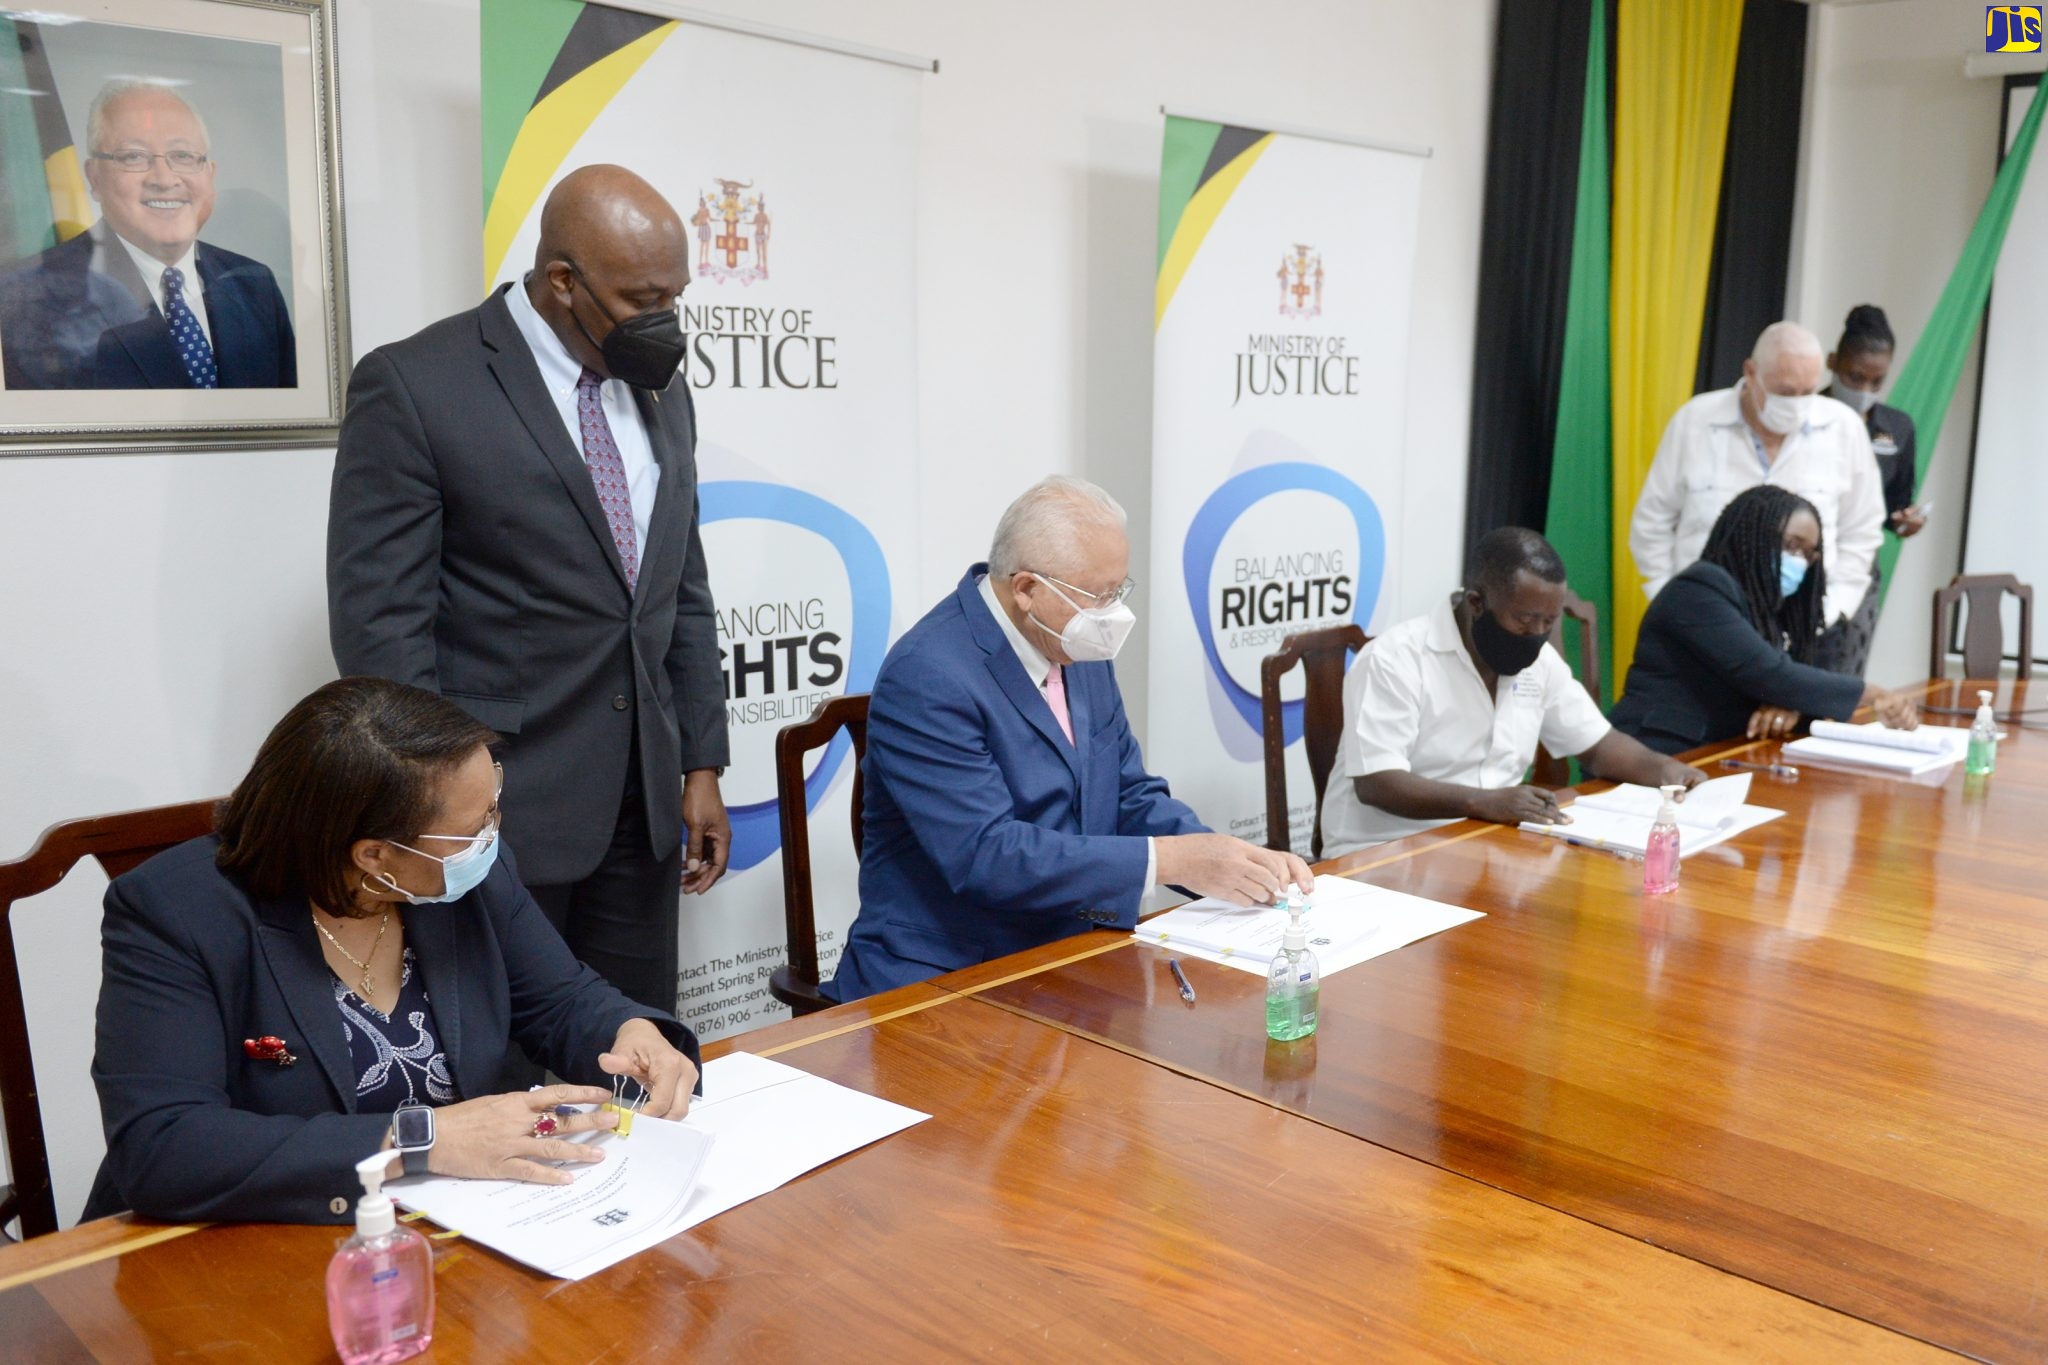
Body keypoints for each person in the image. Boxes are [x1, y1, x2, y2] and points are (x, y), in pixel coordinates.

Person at [327, 165, 730, 1025]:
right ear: (561, 282)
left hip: (642, 805)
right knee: (506, 1077)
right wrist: (444, 805)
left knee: (636, 1057)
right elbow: (381, 630)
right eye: (642, 298)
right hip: (497, 812)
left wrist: (699, 761)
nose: (665, 323)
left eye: (676, 296)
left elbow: (679, 585)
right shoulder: (416, 384)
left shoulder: (662, 387)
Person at [86, 678, 702, 1226]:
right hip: (246, 1247)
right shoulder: (174, 913)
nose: (492, 837)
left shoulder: (466, 876)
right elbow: (164, 1145)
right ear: (373, 856)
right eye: (472, 828)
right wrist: (420, 1139)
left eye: (494, 806)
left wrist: (631, 1031)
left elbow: (561, 999)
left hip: (450, 1225)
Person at [828, 476, 1315, 1002]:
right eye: (1098, 595)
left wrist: (1229, 863)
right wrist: (1177, 860)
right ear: (1027, 590)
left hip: (1071, 950)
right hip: (952, 973)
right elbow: (986, 856)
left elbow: (1128, 792)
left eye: (1119, 589)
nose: (1111, 614)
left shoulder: (1072, 641)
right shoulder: (927, 675)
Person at [1318, 528, 1704, 860]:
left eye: (1548, 621)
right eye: (1524, 619)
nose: (1537, 633)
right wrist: (1484, 802)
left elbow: (1598, 747)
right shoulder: (1395, 658)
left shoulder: (1541, 663)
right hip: (1383, 853)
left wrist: (1668, 771)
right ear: (1476, 603)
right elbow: (1376, 782)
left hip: (1486, 843)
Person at [0, 80, 295, 390]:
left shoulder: (254, 285)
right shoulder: (24, 300)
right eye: (134, 157)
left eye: (182, 155)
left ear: (210, 174)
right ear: (94, 177)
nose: (164, 179)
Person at [1628, 321, 1884, 674]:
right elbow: (1651, 524)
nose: (1797, 404)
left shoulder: (1844, 429)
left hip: (1807, 637)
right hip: (1700, 635)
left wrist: (1832, 609)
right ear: (1751, 373)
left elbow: (1863, 531)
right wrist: (1673, 601)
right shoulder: (1696, 421)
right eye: (1785, 391)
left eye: (1807, 392)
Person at [1611, 486, 1920, 754]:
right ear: (1753, 534)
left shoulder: (1767, 609)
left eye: (1808, 553)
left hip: (1718, 753)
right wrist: (1873, 693)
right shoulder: (1698, 590)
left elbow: (1768, 685)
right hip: (1650, 754)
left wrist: (1791, 707)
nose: (1799, 560)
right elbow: (1767, 672)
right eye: (1790, 545)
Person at [1815, 304, 1926, 675]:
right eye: (1855, 376)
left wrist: (1905, 521)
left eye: (1876, 382)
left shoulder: (1897, 428)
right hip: (1804, 560)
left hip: (1860, 568)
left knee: (1844, 677)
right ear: (1833, 361)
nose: (1864, 390)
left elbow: (1896, 505)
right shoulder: (1805, 415)